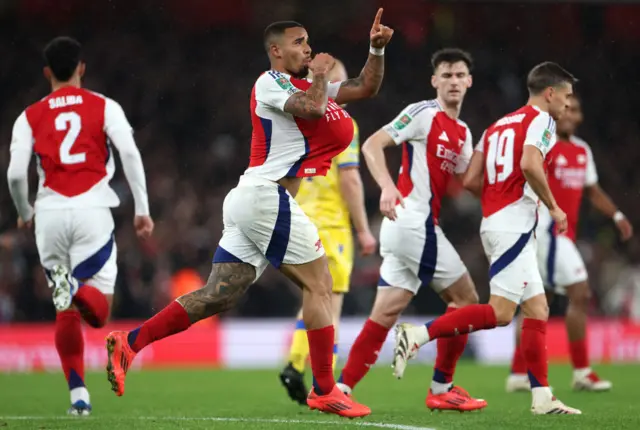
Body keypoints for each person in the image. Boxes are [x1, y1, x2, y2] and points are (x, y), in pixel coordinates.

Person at [104, 9, 393, 418]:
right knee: (321, 284)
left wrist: (375, 49)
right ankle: (324, 388)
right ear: (275, 51)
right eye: (298, 42)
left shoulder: (312, 87)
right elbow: (311, 107)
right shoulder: (271, 82)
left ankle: (130, 342)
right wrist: (322, 76)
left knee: (217, 295)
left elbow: (366, 86)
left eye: (309, 41)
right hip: (265, 197)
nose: (308, 48)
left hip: (255, 201)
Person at [392, 62, 582, 415]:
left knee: (537, 308)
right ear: (550, 93)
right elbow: (529, 164)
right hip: (513, 224)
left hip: (498, 221)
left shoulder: (496, 126)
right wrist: (553, 206)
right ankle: (418, 335)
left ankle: (542, 398)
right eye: (567, 97)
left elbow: (470, 180)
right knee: (499, 313)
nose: (568, 105)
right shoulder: (543, 121)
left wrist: (497, 200)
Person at [6, 36, 153, 416]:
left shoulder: (30, 115)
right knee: (99, 313)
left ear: (46, 72)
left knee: (65, 311)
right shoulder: (104, 106)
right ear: (81, 68)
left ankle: (78, 397)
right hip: (92, 212)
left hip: (49, 216)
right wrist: (142, 208)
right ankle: (72, 284)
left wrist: (24, 210)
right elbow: (130, 153)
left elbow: (16, 175)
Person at [334, 48, 486, 412]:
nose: (452, 81)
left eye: (458, 75)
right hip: (412, 221)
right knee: (466, 301)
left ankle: (340, 388)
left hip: (407, 229)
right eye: (445, 75)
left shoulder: (463, 132)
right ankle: (441, 387)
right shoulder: (423, 113)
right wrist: (387, 186)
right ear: (434, 81)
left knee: (384, 314)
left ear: (469, 82)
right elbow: (373, 145)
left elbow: (472, 182)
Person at [506, 95, 633, 393]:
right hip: (547, 232)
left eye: (575, 109)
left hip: (563, 236)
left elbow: (592, 190)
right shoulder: (543, 144)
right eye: (565, 108)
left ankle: (516, 372)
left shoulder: (582, 150)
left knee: (539, 303)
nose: (570, 114)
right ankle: (581, 371)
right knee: (580, 292)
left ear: (580, 117)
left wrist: (615, 214)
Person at [279, 59, 377, 405]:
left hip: (298, 216)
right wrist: (364, 230)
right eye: (340, 82)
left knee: (311, 298)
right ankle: (327, 386)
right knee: (331, 305)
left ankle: (295, 363)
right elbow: (350, 179)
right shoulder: (342, 124)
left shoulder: (298, 120)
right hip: (331, 224)